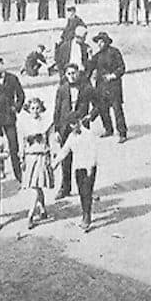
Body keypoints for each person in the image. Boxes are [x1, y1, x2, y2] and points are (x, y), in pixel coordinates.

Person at [53, 62, 96, 200]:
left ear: (78, 73)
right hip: (65, 127)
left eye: (74, 73)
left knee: (84, 158)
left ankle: (86, 189)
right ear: (65, 75)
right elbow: (57, 110)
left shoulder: (87, 88)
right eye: (69, 74)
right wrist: (57, 130)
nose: (72, 76)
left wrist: (91, 115)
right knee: (65, 158)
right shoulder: (61, 89)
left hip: (81, 127)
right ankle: (65, 187)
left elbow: (100, 102)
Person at [51, 115, 99, 232]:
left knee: (87, 192)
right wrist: (55, 164)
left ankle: (87, 216)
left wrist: (90, 167)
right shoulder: (71, 137)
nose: (74, 126)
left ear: (79, 121)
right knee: (82, 193)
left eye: (75, 123)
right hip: (78, 168)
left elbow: (93, 151)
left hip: (89, 167)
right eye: (71, 124)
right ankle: (85, 212)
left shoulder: (88, 134)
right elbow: (65, 151)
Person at [0, 57, 26, 182]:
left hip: (9, 117)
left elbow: (21, 95)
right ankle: (0, 171)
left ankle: (18, 174)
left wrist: (16, 107)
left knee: (13, 146)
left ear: (3, 64)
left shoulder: (12, 79)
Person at [18, 97, 55, 229]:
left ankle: (30, 216)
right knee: (36, 187)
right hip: (30, 158)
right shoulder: (24, 124)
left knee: (35, 187)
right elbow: (21, 143)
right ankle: (43, 209)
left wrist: (52, 157)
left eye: (37, 108)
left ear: (41, 108)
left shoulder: (47, 123)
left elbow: (52, 141)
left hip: (42, 157)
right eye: (32, 108)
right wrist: (21, 158)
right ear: (28, 109)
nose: (35, 111)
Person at [88, 32, 128, 142]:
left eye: (102, 41)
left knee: (117, 109)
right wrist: (90, 56)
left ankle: (122, 133)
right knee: (103, 109)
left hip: (113, 85)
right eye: (98, 42)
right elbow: (90, 67)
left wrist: (113, 75)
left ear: (106, 42)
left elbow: (122, 67)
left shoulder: (115, 52)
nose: (99, 44)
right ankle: (108, 129)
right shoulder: (97, 55)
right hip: (101, 85)